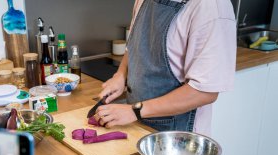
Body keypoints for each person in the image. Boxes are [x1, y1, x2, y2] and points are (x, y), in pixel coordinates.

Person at [95, 0, 236, 136]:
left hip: (178, 138)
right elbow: (135, 43)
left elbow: (205, 92)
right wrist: (121, 74)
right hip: (136, 124)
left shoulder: (211, 7)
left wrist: (135, 111)